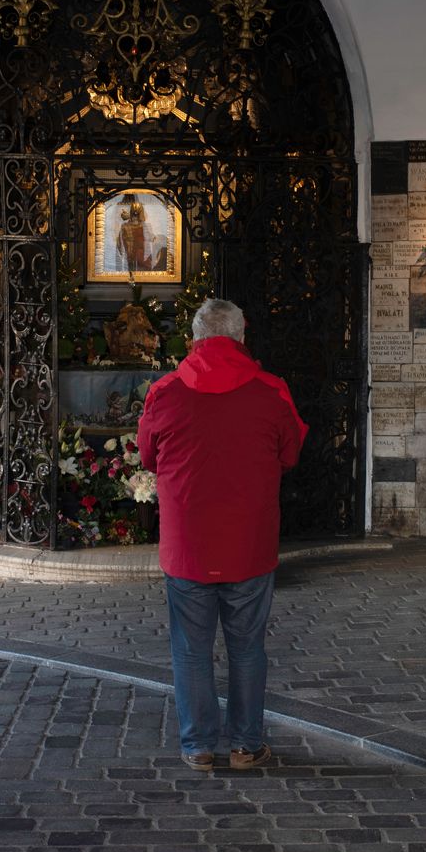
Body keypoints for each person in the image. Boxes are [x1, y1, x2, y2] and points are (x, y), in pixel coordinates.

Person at [136, 297, 306, 771]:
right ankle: (246, 745)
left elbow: (148, 455)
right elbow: (290, 453)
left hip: (188, 545)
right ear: (241, 336)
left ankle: (198, 745)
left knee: (191, 649)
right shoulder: (271, 391)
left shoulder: (166, 392)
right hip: (248, 544)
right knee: (247, 648)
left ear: (194, 338)